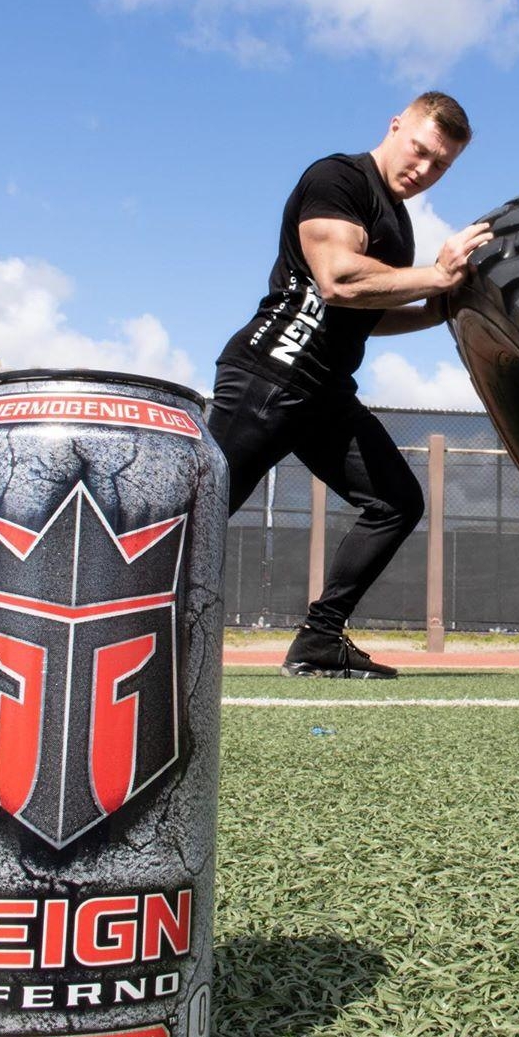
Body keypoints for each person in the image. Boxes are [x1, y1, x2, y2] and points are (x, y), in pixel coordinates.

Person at [209, 91, 492, 679]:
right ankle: (117, 626)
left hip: (324, 392)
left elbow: (365, 311)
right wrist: (436, 275)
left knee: (397, 502)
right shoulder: (337, 179)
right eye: (421, 150)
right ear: (396, 125)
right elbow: (338, 279)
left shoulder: (399, 225)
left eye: (441, 165)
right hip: (270, 374)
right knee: (200, 516)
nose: (424, 169)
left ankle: (319, 639)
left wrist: (435, 308)